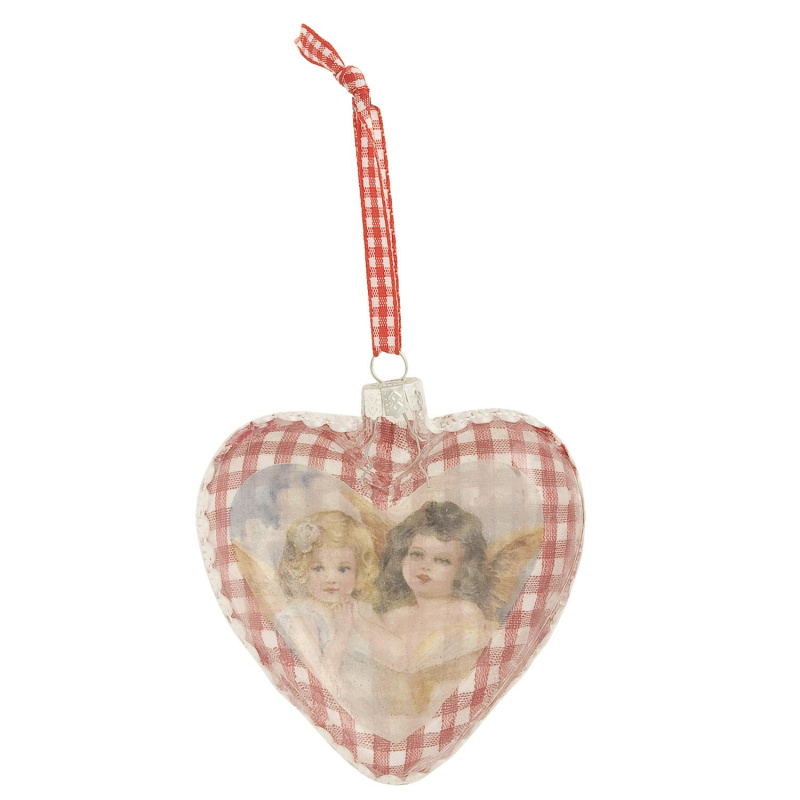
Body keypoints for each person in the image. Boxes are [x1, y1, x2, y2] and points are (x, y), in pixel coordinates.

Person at [274, 511, 406, 715]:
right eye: (318, 568)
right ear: (302, 570)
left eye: (343, 569)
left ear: (358, 571)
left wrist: (359, 622)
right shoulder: (300, 618)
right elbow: (320, 683)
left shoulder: (360, 610)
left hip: (374, 708)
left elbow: (399, 659)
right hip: (334, 711)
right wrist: (343, 634)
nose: (331, 579)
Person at [376, 501, 495, 718]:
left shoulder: (465, 612)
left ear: (462, 570)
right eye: (417, 554)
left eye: (442, 560)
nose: (425, 566)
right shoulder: (392, 619)